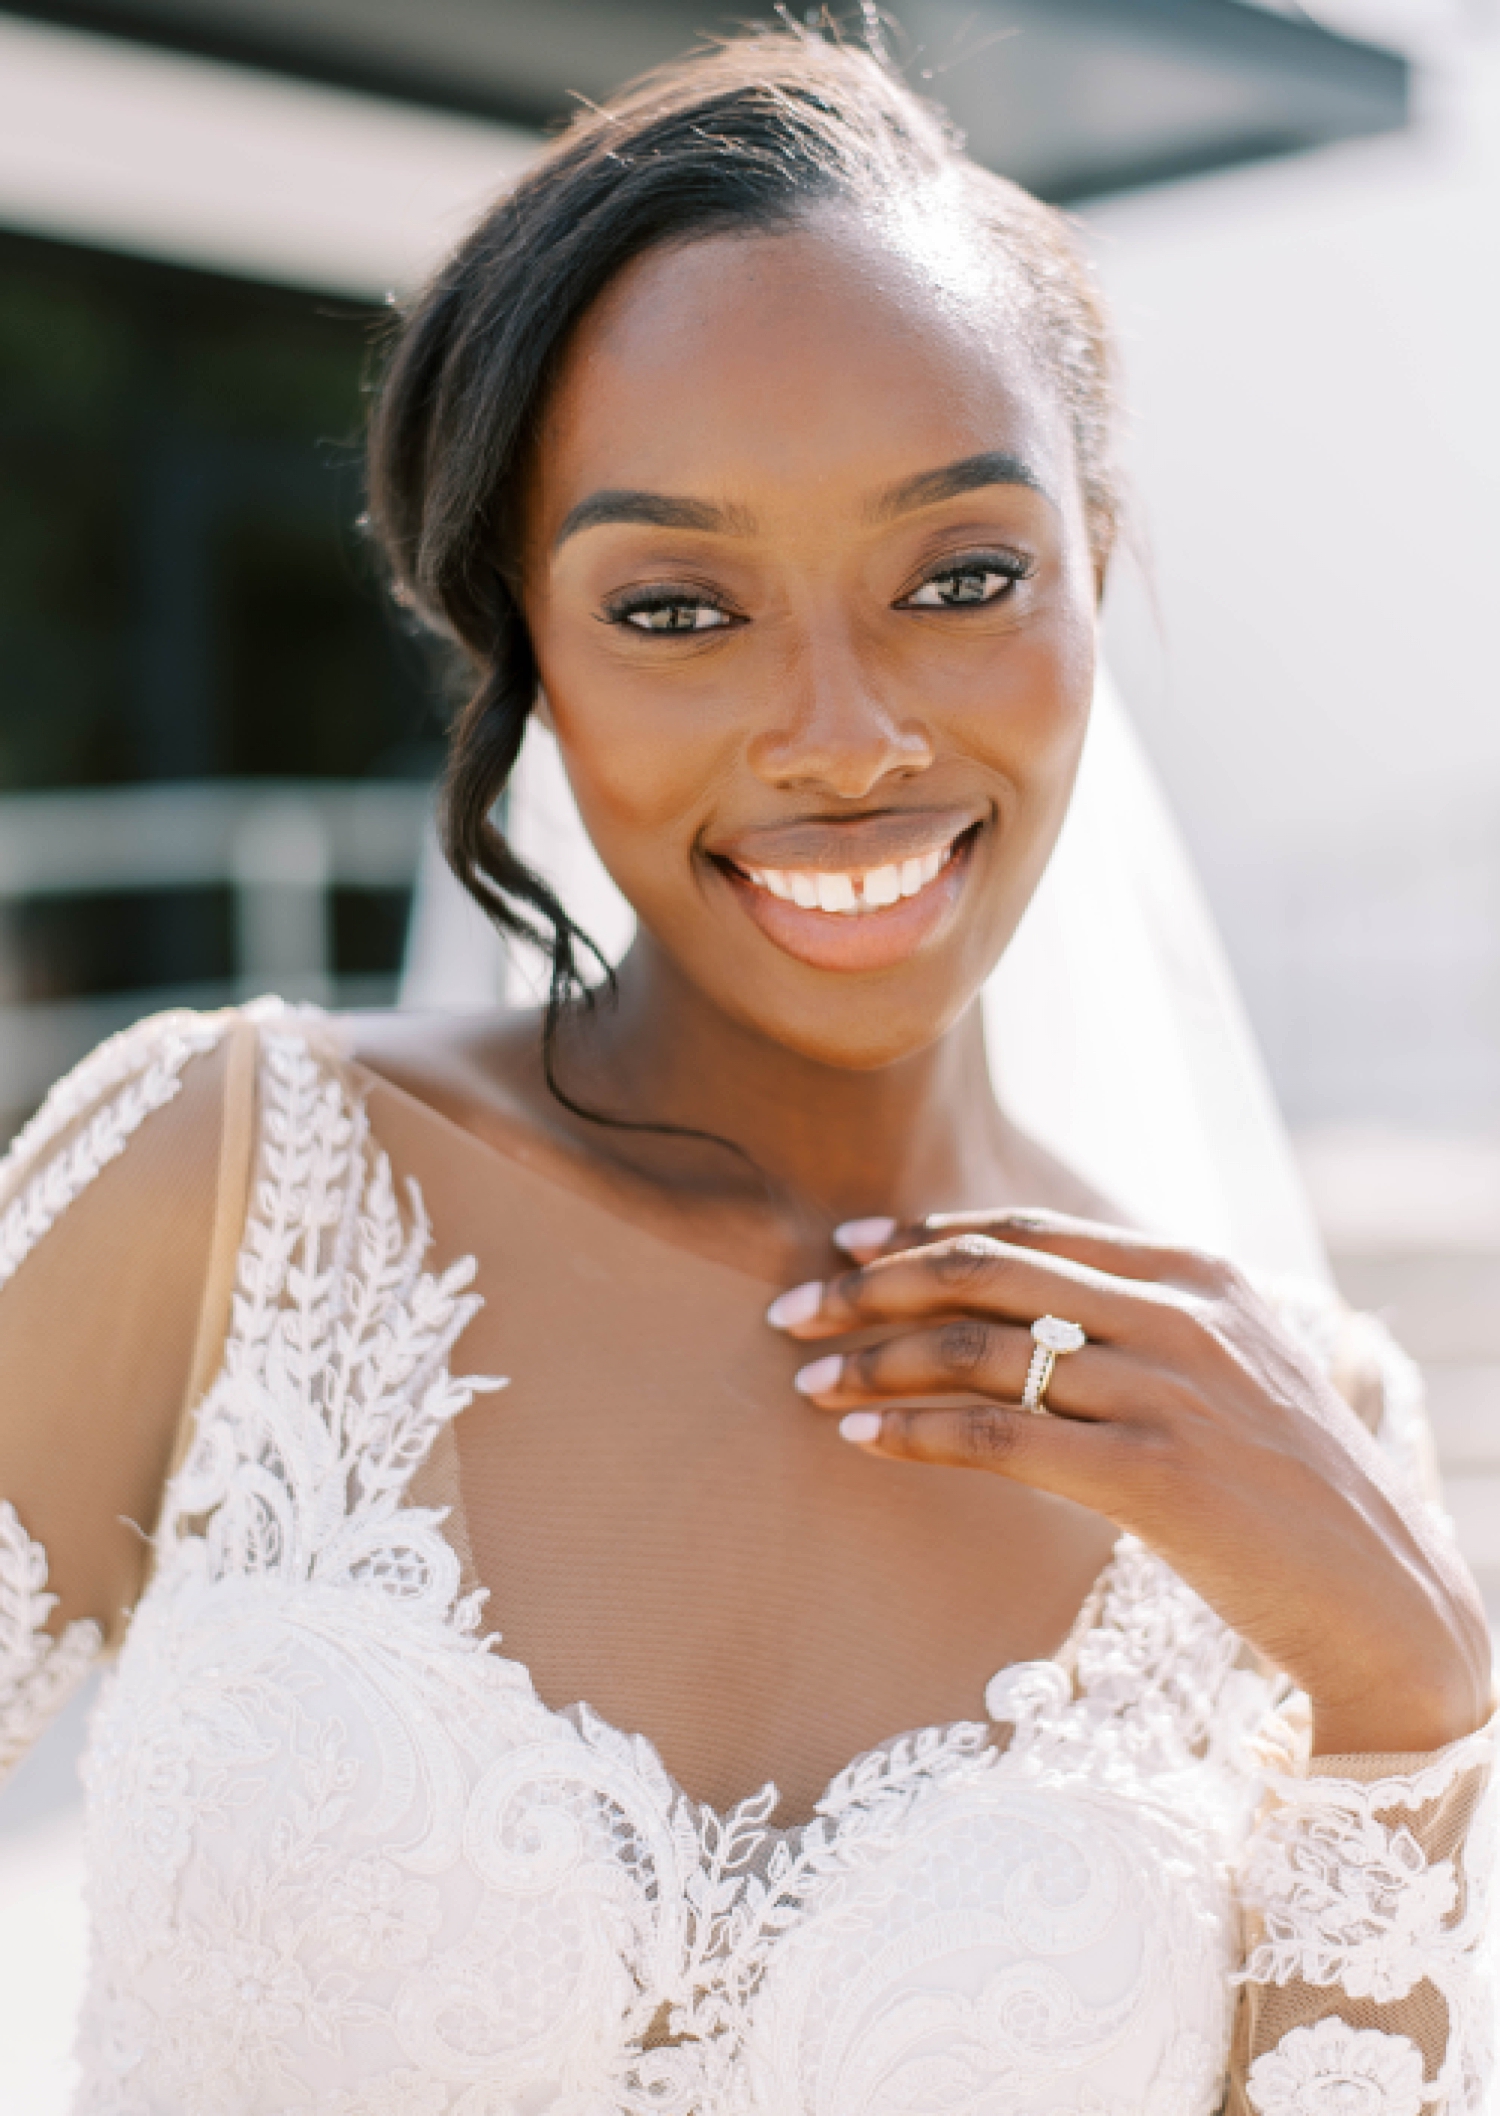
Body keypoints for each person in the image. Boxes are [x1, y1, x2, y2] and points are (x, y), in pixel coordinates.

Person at [0, 30, 1491, 2116]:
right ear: (525, 642)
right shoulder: (233, 1181)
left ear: (1094, 563)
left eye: (960, 576)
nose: (843, 730)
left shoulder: (1303, 1428)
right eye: (679, 604)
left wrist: (1407, 1694)